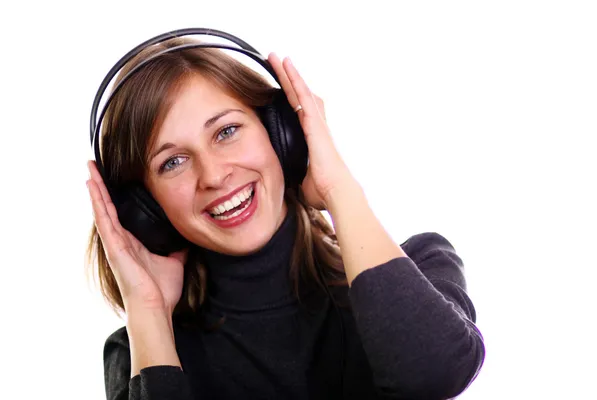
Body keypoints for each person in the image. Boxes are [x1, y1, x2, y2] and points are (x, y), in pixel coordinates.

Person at [86, 33, 485, 400]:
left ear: (284, 135)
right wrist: (150, 315)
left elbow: (434, 376)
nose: (213, 175)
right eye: (172, 161)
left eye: (226, 132)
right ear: (145, 208)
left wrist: (338, 189)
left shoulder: (421, 267)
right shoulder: (144, 349)